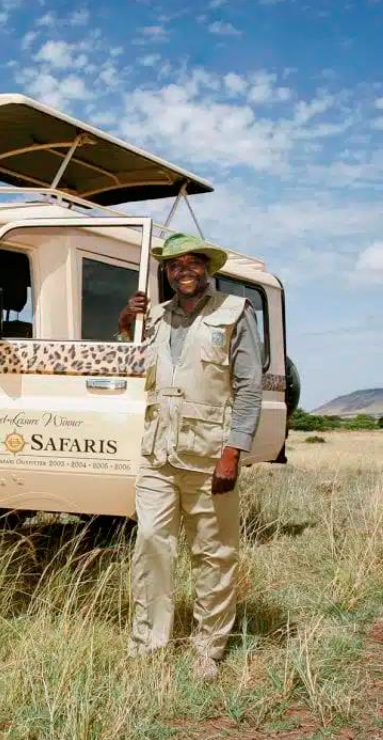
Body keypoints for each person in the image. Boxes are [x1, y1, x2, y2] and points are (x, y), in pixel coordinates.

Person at [117, 232, 263, 680]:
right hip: (158, 455)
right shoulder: (154, 317)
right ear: (166, 272)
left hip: (209, 454)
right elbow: (129, 365)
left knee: (214, 553)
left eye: (193, 262)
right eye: (175, 264)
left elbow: (249, 388)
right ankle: (149, 642)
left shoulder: (234, 313)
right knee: (151, 547)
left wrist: (232, 452)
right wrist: (125, 322)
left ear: (207, 269)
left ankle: (209, 647)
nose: (184, 269)